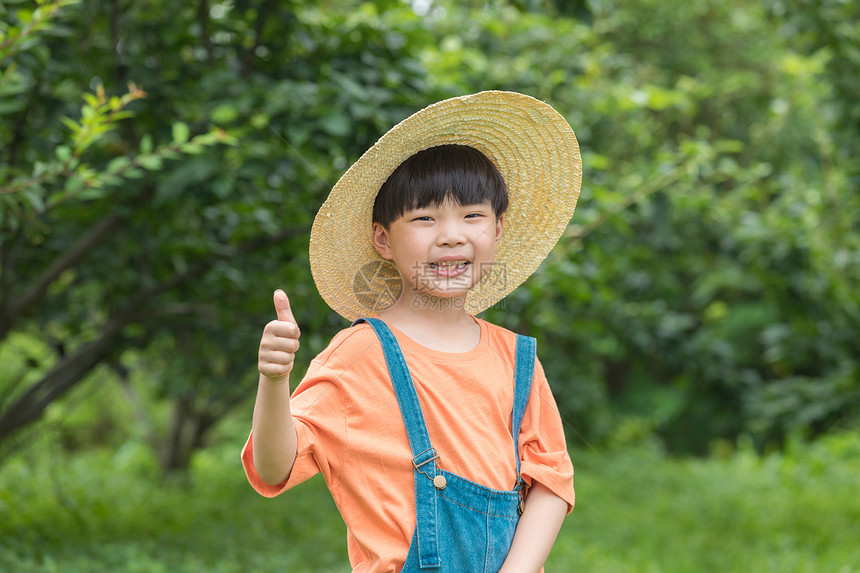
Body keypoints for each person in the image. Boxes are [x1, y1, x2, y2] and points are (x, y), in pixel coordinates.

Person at [243, 91, 582, 572]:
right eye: (424, 218)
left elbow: (550, 478)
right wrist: (273, 380)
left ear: (498, 229)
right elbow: (273, 466)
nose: (450, 235)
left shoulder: (516, 358)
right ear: (383, 239)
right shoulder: (361, 355)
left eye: (472, 215)